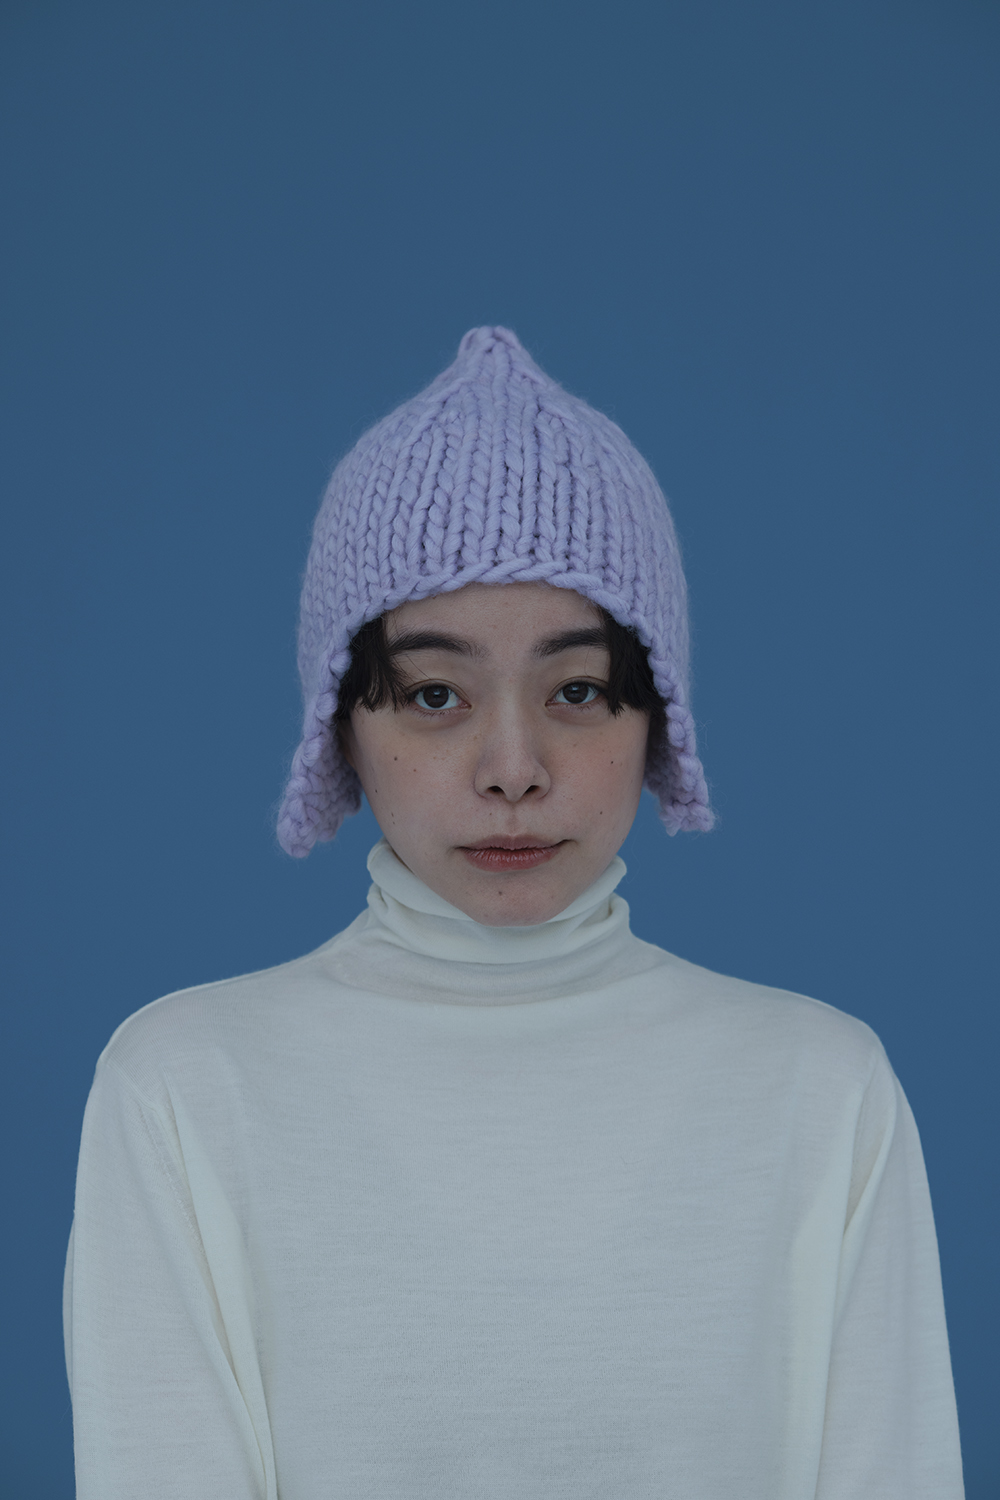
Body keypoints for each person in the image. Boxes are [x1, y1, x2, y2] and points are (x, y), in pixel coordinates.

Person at [64, 327, 964, 1498]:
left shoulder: (822, 1090)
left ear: (656, 719)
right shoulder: (184, 1088)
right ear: (341, 728)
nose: (512, 769)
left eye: (577, 689)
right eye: (434, 694)